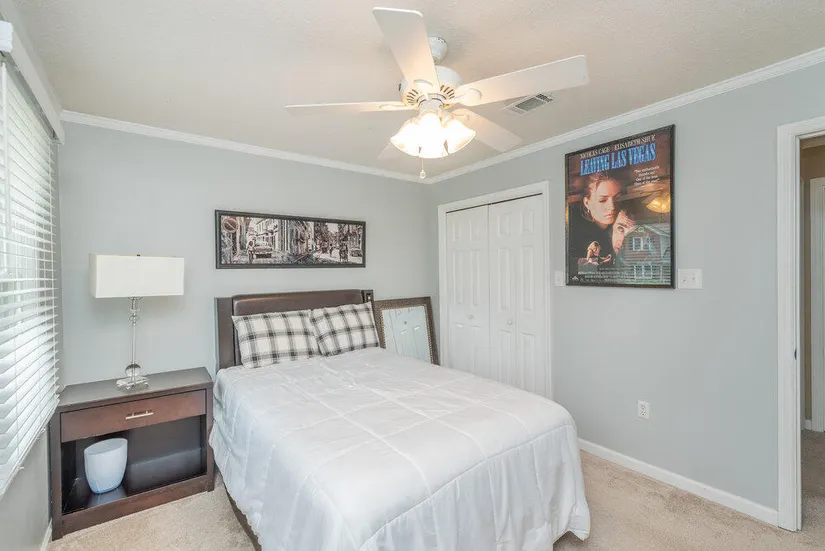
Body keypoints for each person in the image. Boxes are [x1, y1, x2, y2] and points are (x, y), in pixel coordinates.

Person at [568, 173, 623, 275]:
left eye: (617, 198)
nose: (612, 206)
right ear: (587, 203)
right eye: (602, 200)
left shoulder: (623, 226)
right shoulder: (574, 235)